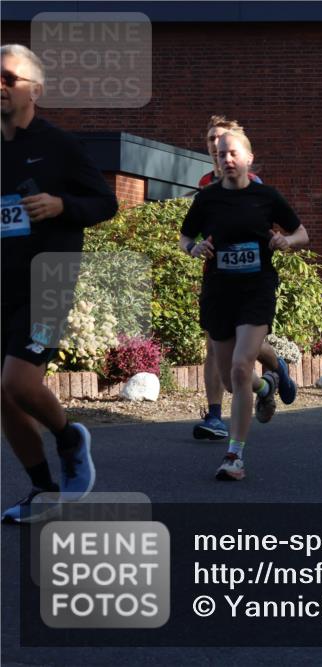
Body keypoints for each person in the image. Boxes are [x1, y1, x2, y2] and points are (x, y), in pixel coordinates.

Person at [1, 44, 118, 523]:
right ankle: (44, 491)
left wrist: (61, 205)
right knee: (2, 394)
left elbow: (105, 204)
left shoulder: (60, 145)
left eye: (10, 78)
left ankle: (71, 438)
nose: (0, 86)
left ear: (36, 91)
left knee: (17, 381)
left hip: (48, 281)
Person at [179, 130, 308, 481]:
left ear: (249, 158)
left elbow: (302, 233)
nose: (226, 160)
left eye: (232, 153)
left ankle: (234, 456)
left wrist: (285, 240)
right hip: (219, 292)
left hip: (256, 290)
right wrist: (193, 249)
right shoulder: (207, 199)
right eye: (220, 155)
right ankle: (265, 387)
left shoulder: (266, 196)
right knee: (231, 380)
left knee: (239, 367)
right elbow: (185, 237)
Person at [192, 115, 294, 442]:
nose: (217, 149)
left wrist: (281, 242)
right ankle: (234, 401)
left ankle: (271, 371)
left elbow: (271, 226)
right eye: (212, 142)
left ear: (243, 152)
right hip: (217, 279)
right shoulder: (205, 186)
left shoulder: (258, 188)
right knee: (221, 352)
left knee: (242, 357)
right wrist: (198, 247)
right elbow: (194, 231)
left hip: (253, 283)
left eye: (223, 143)